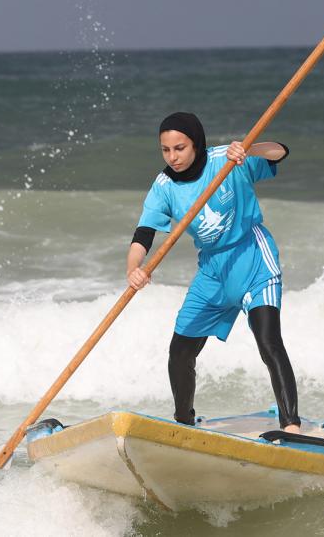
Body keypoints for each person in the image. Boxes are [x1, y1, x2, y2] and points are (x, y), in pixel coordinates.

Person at [125, 112, 301, 432]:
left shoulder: (227, 159)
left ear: (196, 144)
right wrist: (133, 269)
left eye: (180, 148)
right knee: (180, 351)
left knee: (268, 340)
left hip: (252, 258)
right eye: (166, 150)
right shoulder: (164, 186)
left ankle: (291, 425)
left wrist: (250, 151)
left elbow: (282, 152)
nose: (173, 157)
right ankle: (183, 424)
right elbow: (144, 234)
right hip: (212, 271)